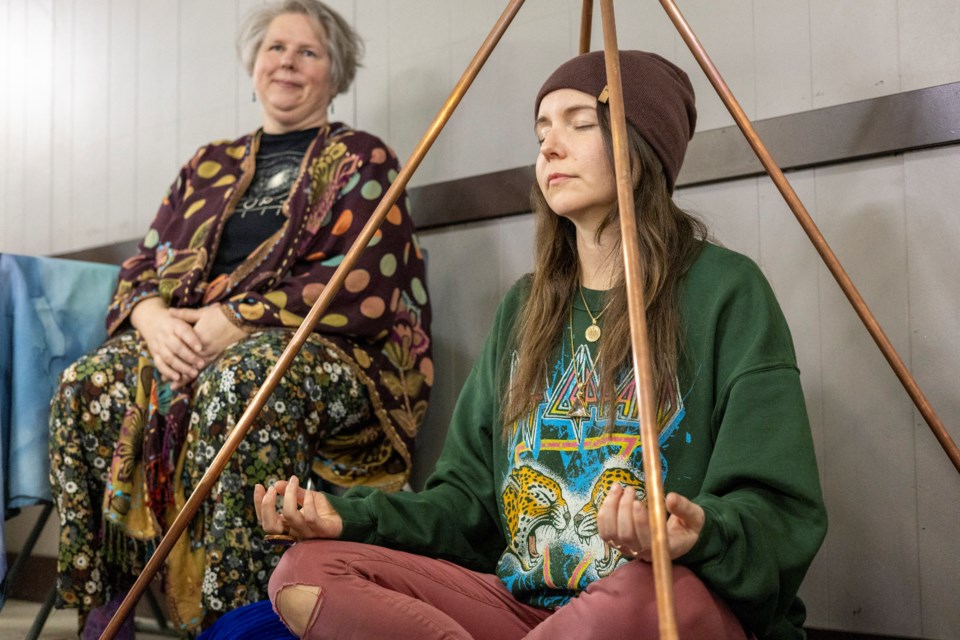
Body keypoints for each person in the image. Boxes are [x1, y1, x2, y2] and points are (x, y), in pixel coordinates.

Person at [255, 50, 826, 640]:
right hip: (527, 610)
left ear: (643, 145)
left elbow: (781, 511)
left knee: (642, 590)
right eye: (542, 131)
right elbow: (466, 506)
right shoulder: (524, 308)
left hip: (659, 606)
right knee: (309, 569)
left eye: (580, 124)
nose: (550, 148)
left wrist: (698, 532)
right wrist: (345, 515)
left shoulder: (725, 291)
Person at [47, 0, 432, 637]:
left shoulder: (364, 158)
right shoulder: (207, 164)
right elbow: (145, 261)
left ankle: (238, 617)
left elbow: (365, 277)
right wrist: (151, 317)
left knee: (243, 379)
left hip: (325, 350)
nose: (287, 62)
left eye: (307, 52)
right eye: (275, 48)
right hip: (190, 334)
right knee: (84, 385)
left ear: (334, 74)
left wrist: (240, 318)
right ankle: (108, 598)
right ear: (254, 63)